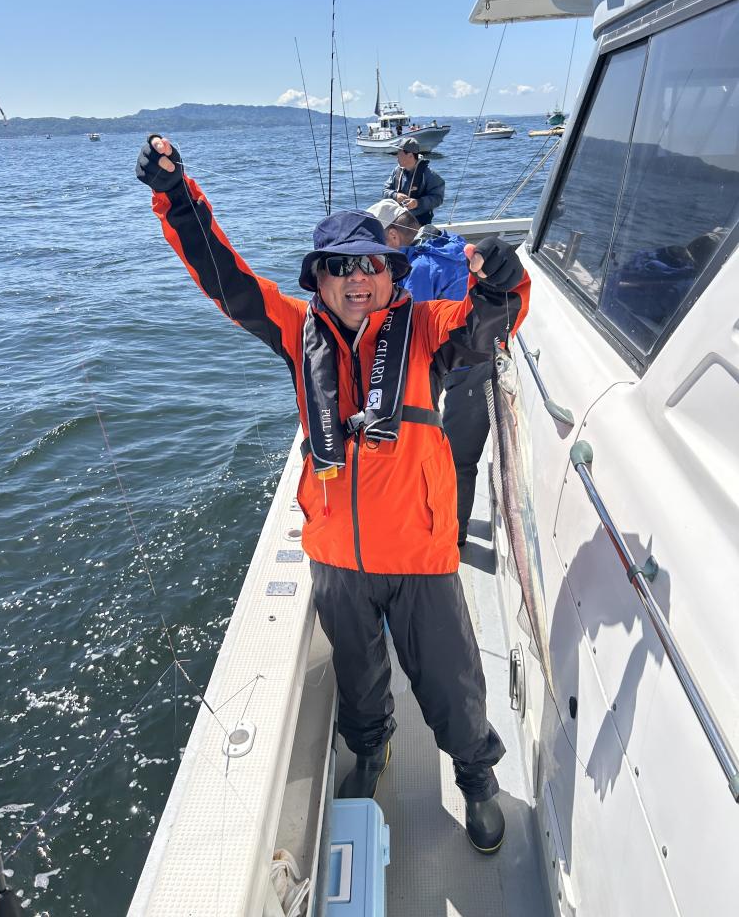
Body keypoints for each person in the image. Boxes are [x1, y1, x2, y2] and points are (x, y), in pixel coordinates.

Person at [136, 135, 531, 855]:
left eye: (370, 266)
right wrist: (177, 199)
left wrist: (502, 284)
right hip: (338, 559)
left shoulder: (425, 328)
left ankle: (476, 777)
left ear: (391, 274)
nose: (357, 280)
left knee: (451, 680)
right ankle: (370, 751)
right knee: (358, 678)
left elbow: (486, 327)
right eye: (339, 268)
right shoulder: (297, 332)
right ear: (317, 280)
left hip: (418, 553)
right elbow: (226, 281)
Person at [369, 200, 522, 544]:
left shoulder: (421, 267)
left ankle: (453, 535)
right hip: (478, 353)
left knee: (456, 456)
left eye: (374, 241)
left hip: (465, 364)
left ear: (392, 236)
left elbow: (411, 328)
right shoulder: (443, 243)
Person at [383, 137, 444, 226]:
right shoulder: (396, 171)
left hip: (419, 223)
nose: (397, 156)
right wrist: (395, 195)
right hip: (397, 221)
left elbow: (438, 198)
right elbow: (385, 191)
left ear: (410, 155)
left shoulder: (429, 175)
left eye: (399, 153)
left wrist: (417, 203)